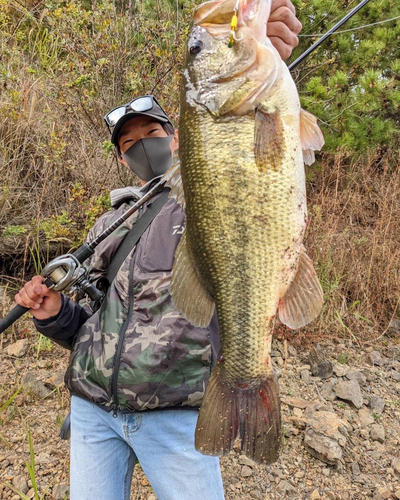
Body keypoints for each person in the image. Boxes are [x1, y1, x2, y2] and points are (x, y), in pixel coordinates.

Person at [14, 2, 302, 499]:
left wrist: (267, 51)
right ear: (122, 158)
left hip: (174, 417)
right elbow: (94, 323)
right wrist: (55, 312)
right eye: (129, 144)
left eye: (152, 133)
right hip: (92, 411)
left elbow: (246, 160)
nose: (142, 146)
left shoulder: (199, 191)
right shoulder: (110, 223)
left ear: (176, 135)